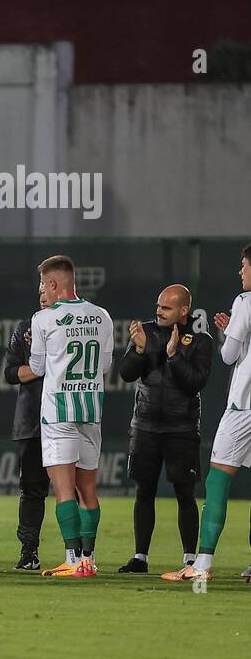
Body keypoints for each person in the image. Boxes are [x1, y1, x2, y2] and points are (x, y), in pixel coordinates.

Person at [163, 245, 251, 582]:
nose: (240, 272)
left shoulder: (245, 302)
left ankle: (201, 566)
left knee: (217, 480)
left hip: (244, 405)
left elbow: (229, 355)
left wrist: (230, 332)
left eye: (244, 265)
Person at [27, 255, 115, 579]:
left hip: (59, 410)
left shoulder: (43, 319)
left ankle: (72, 559)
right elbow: (105, 366)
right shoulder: (101, 316)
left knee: (64, 490)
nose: (41, 290)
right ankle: (89, 561)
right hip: (91, 409)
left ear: (52, 283)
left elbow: (36, 368)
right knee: (88, 491)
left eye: (42, 284)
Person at [116, 285, 212, 575]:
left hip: (181, 429)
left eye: (166, 308)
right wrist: (140, 349)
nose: (159, 311)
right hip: (145, 426)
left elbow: (196, 382)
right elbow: (126, 373)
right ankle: (140, 557)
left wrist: (173, 355)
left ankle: (189, 560)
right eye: (158, 305)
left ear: (183, 311)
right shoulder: (145, 332)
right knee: (144, 491)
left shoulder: (200, 341)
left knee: (185, 493)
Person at [3, 292, 51, 570]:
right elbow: (10, 373)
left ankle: (82, 555)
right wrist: (38, 366)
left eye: (49, 287)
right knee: (32, 490)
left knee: (78, 488)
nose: (43, 293)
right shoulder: (25, 328)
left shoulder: (72, 328)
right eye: (41, 288)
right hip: (31, 421)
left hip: (67, 418)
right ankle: (29, 552)